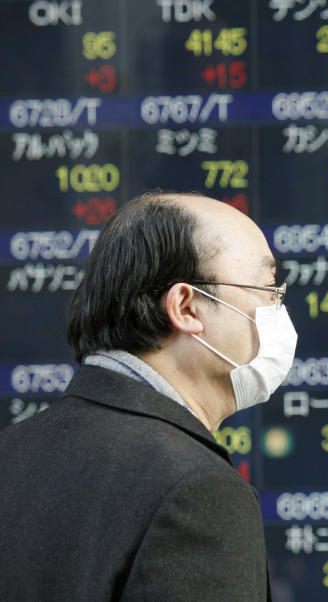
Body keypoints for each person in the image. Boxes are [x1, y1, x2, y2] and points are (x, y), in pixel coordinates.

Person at [0, 192, 297, 600]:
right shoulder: (198, 492)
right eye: (267, 289)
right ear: (187, 307)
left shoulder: (10, 452)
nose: (277, 308)